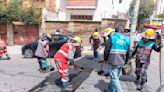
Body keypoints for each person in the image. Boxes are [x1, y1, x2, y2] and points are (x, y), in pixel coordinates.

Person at [104, 26, 130, 92]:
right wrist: (126, 61)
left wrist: (105, 59)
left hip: (113, 61)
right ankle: (110, 90)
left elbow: (106, 50)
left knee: (114, 78)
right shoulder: (127, 39)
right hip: (122, 61)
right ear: (122, 31)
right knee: (115, 77)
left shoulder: (112, 38)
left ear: (115, 31)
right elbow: (128, 52)